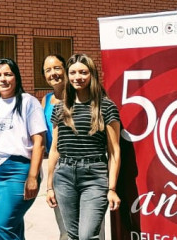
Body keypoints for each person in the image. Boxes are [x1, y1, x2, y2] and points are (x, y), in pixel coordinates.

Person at [46, 54, 122, 240]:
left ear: (92, 75)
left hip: (94, 176)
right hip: (64, 175)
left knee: (88, 236)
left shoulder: (106, 106)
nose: (77, 77)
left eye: (83, 72)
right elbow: (55, 149)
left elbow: (114, 151)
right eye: (72, 72)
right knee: (71, 235)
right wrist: (49, 186)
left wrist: (111, 188)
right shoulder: (60, 108)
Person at [0, 58, 46, 240]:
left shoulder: (28, 102)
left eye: (8, 74)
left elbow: (39, 142)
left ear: (16, 78)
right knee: (11, 227)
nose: (3, 79)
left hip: (19, 172)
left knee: (2, 228)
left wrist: (33, 177)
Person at [40, 54, 68, 240]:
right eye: (48, 70)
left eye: (57, 68)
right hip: (55, 164)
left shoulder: (76, 95)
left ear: (65, 69)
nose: (53, 74)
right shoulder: (46, 100)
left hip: (75, 162)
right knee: (65, 227)